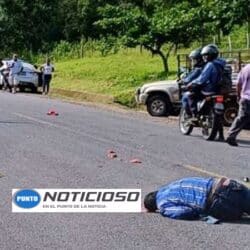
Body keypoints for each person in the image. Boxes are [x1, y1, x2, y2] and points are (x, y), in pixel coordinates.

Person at [144, 176, 250, 221]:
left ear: (155, 207)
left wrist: (164, 212)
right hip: (227, 185)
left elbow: (184, 212)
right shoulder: (173, 184)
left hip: (219, 201)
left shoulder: (162, 204)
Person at [226, 64, 250, 146]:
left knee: (241, 118)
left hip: (245, 97)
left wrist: (239, 96)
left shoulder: (245, 68)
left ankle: (231, 135)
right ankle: (231, 135)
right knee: (242, 118)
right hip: (247, 97)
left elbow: (239, 84)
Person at [181, 48, 205, 116]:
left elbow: (188, 79)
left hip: (200, 90)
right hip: (209, 89)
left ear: (199, 60)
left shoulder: (198, 69)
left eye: (194, 60)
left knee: (186, 97)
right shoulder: (206, 67)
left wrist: (183, 81)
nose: (192, 62)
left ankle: (192, 115)